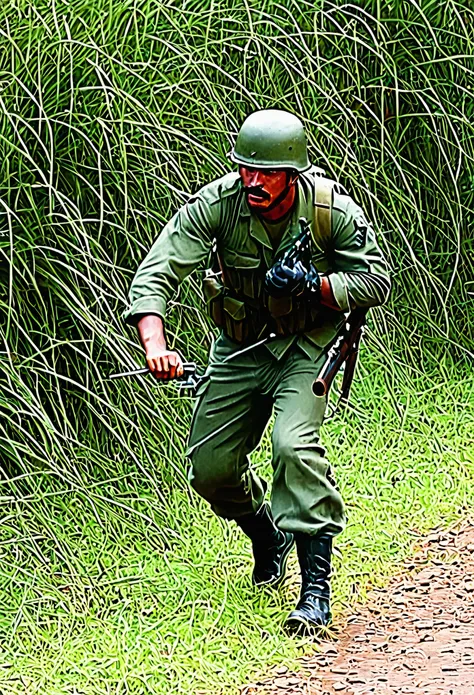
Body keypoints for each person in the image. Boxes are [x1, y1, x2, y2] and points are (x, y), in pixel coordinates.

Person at [123, 109, 391, 632]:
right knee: (210, 467)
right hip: (241, 347)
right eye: (245, 169)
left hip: (307, 346)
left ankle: (315, 589)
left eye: (265, 173)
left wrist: (314, 285)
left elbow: (377, 279)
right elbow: (159, 269)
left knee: (293, 444)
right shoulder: (219, 205)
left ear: (292, 174)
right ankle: (267, 535)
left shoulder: (329, 210)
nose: (253, 181)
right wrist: (154, 341)